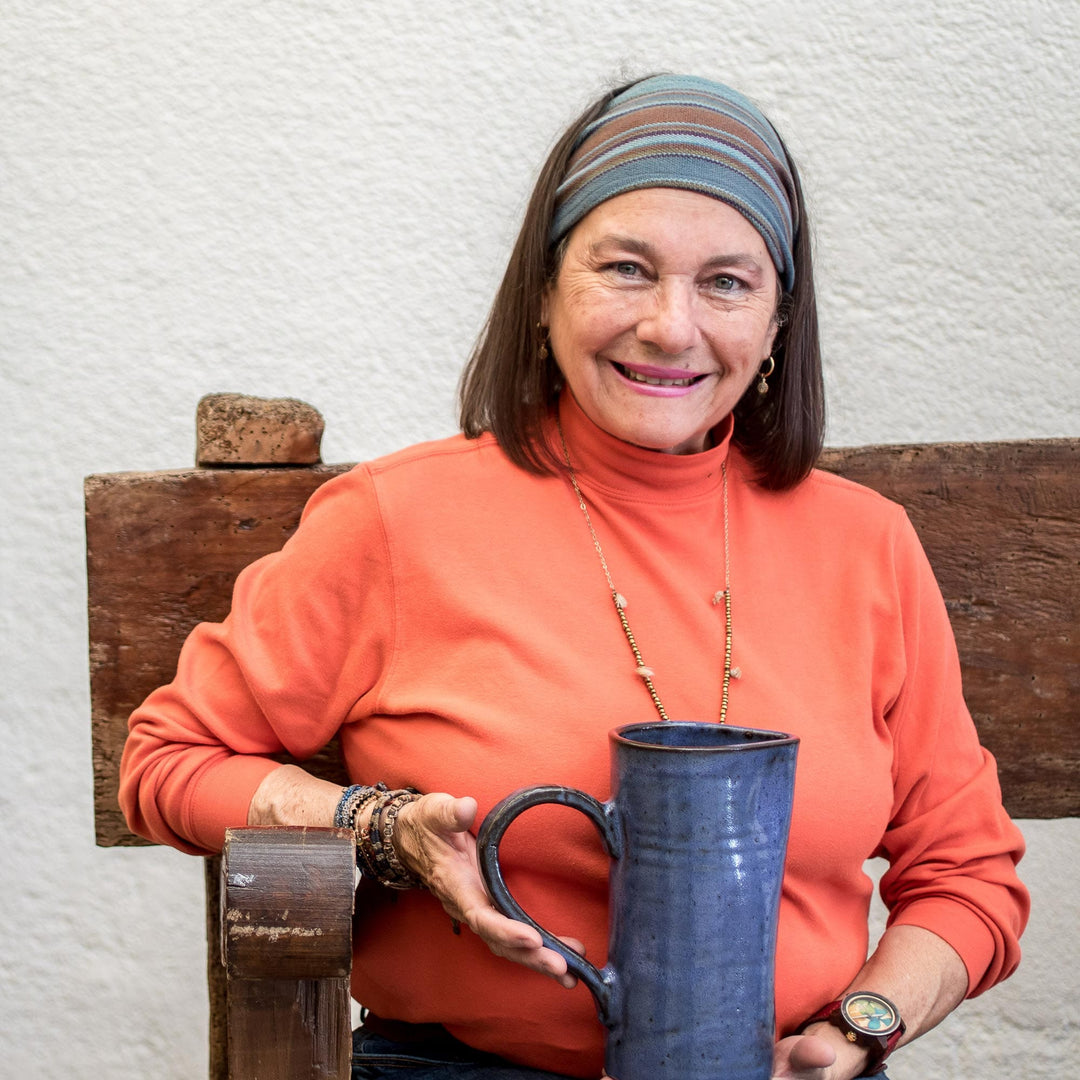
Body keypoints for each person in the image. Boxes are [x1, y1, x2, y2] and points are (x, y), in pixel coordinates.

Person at [119, 74, 1028, 1080]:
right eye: (627, 269)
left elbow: (967, 874)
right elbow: (169, 761)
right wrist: (375, 827)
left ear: (777, 324)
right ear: (546, 289)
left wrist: (859, 1029)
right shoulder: (395, 521)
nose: (671, 327)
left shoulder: (867, 545)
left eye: (726, 282)